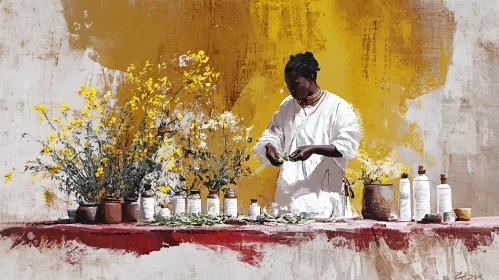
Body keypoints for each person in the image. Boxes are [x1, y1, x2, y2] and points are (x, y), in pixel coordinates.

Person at [252, 51, 362, 218]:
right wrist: (270, 147)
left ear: (311, 78)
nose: (290, 89)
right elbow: (273, 133)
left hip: (323, 191)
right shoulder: (287, 106)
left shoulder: (338, 107)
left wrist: (313, 148)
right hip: (288, 191)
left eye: (295, 84)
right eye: (288, 84)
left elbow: (346, 146)